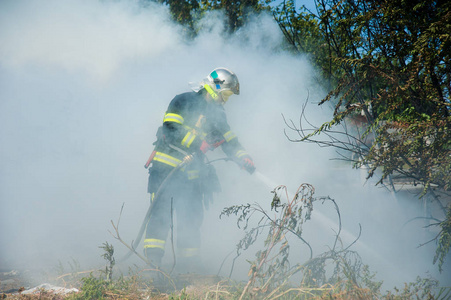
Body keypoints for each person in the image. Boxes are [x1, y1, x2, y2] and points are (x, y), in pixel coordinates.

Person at [144, 67, 255, 273]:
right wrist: (198, 144)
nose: (225, 100)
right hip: (165, 169)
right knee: (160, 218)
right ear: (215, 88)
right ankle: (153, 267)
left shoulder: (218, 115)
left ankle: (189, 268)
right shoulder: (183, 101)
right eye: (226, 94)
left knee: (191, 217)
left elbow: (229, 141)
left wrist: (243, 157)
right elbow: (170, 129)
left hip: (191, 175)